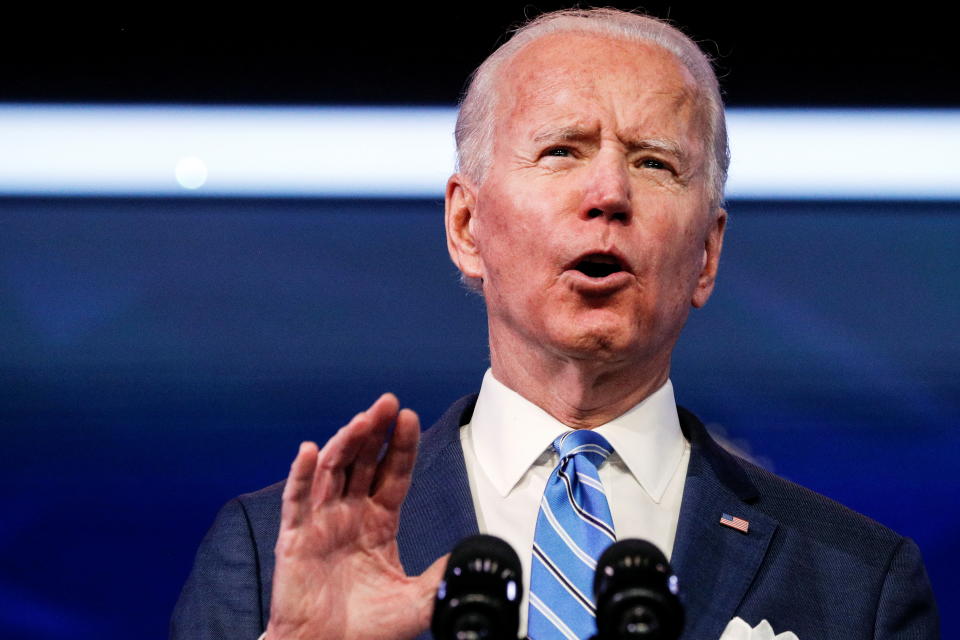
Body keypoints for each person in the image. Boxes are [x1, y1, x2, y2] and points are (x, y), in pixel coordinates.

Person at [170, 8, 939, 640]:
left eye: (654, 163)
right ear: (468, 226)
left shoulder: (856, 583)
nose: (608, 192)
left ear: (706, 254)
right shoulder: (267, 557)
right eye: (562, 151)